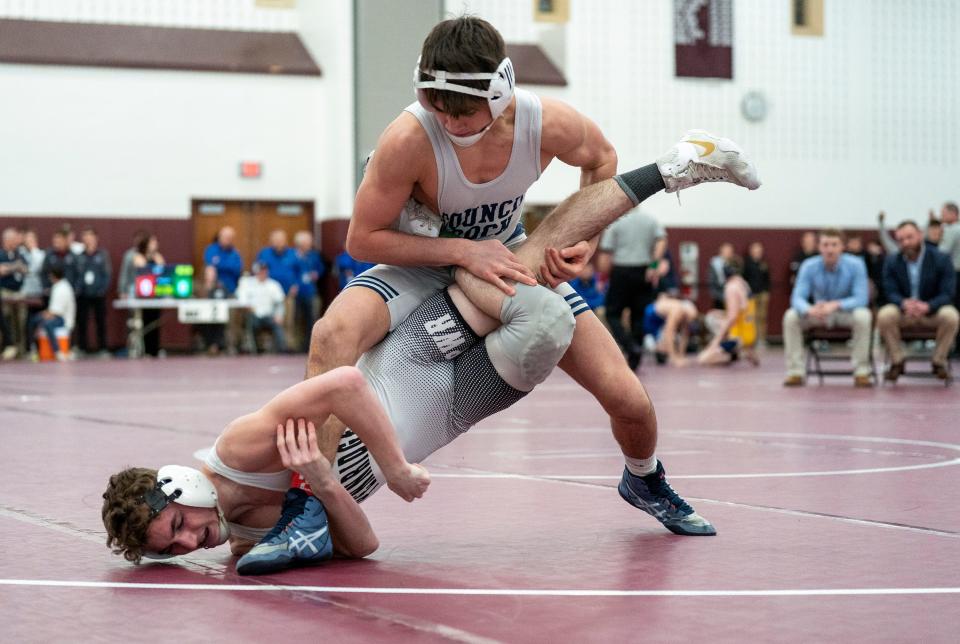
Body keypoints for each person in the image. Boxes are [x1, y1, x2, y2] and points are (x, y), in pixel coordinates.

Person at [101, 142, 757, 570]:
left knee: (626, 396)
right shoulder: (246, 541)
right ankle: (635, 469)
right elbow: (361, 545)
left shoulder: (243, 447)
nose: (192, 544)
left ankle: (671, 168)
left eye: (178, 529)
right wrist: (323, 486)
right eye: (176, 549)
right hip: (458, 396)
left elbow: (346, 380)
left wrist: (390, 469)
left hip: (427, 337)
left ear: (176, 487)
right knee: (545, 323)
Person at [306, 18, 758, 531]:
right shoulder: (408, 138)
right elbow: (360, 240)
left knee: (629, 400)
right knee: (332, 333)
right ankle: (312, 504)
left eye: (465, 112)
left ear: (500, 90)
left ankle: (644, 477)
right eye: (440, 108)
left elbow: (601, 159)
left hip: (511, 255)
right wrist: (462, 250)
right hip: (422, 261)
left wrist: (587, 242)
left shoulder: (545, 123)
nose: (450, 124)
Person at [782, 229, 872, 387]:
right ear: (819, 247)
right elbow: (797, 298)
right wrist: (809, 309)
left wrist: (836, 304)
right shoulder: (809, 266)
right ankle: (795, 372)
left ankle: (861, 371)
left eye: (834, 245)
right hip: (818, 314)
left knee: (863, 316)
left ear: (842, 247)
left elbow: (861, 298)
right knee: (791, 316)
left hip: (845, 312)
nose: (829, 249)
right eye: (825, 245)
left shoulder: (856, 265)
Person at [877, 220, 958, 381]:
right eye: (901, 240)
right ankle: (897, 361)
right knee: (884, 315)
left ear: (920, 235)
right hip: (904, 312)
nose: (906, 243)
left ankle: (938, 361)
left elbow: (948, 293)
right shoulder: (892, 261)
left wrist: (928, 306)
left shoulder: (941, 259)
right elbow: (889, 291)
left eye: (909, 237)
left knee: (951, 315)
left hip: (931, 312)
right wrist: (903, 303)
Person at [596, 208, 668, 370]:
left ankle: (630, 346)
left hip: (621, 271)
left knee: (612, 313)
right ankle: (635, 358)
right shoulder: (650, 220)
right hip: (643, 272)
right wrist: (654, 264)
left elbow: (606, 255)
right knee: (639, 315)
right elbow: (662, 240)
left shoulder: (616, 221)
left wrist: (602, 277)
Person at [698, 258, 757, 366]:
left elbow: (732, 317)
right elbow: (742, 311)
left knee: (702, 359)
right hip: (749, 335)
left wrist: (715, 342)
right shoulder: (744, 284)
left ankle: (736, 355)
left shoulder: (731, 287)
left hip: (738, 338)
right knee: (714, 314)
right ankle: (740, 351)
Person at [256, 230, 300, 348]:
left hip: (287, 293)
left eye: (280, 240)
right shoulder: (264, 254)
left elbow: (299, 271)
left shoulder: (293, 254)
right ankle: (268, 346)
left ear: (285, 241)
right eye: (275, 240)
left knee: (288, 320)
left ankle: (288, 345)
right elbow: (258, 269)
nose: (278, 243)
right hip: (269, 295)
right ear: (271, 241)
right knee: (270, 320)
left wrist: (296, 285)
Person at [73, 228, 112, 356]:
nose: (88, 239)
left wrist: (102, 289)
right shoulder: (79, 256)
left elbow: (107, 274)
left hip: (98, 294)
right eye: (85, 237)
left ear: (95, 238)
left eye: (90, 236)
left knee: (100, 322)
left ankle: (102, 348)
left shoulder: (102, 255)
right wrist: (78, 289)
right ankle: (82, 347)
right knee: (82, 321)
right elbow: (76, 275)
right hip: (83, 294)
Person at [237, 262, 288, 354]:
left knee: (277, 325)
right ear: (256, 271)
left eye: (264, 270)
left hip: (269, 315)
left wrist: (279, 315)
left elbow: (280, 303)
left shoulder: (273, 285)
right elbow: (242, 300)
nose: (263, 273)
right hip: (253, 315)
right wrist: (248, 307)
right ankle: (255, 350)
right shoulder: (247, 283)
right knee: (251, 323)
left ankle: (281, 350)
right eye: (261, 270)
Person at [27, 265, 75, 361]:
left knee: (47, 324)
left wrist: (42, 321)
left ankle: (57, 351)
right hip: (55, 315)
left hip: (63, 318)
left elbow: (56, 312)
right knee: (33, 320)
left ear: (53, 276)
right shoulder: (57, 286)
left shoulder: (63, 289)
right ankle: (33, 349)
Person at [641, 292, 698, 366]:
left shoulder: (687, 314)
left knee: (668, 342)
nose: (686, 321)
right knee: (663, 345)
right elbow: (668, 333)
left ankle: (661, 349)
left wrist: (681, 356)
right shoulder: (677, 310)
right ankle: (657, 347)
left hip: (661, 319)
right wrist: (674, 358)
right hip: (651, 315)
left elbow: (685, 334)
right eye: (687, 318)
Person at [133, 234, 165, 357]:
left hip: (156, 294)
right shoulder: (138, 257)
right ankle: (146, 350)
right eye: (152, 242)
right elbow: (144, 270)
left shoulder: (157, 257)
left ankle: (155, 349)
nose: (155, 244)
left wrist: (156, 259)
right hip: (144, 294)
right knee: (146, 321)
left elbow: (162, 269)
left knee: (156, 321)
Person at [292, 231, 325, 352]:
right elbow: (289, 271)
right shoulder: (293, 255)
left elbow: (320, 268)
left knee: (311, 320)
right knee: (296, 319)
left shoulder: (313, 255)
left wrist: (316, 273)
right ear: (299, 244)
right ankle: (296, 345)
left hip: (310, 292)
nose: (309, 245)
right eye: (307, 243)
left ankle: (310, 345)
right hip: (296, 293)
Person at [0, 227, 28, 360]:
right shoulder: (1, 254)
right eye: (13, 239)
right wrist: (14, 266)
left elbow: (26, 268)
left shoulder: (19, 253)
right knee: (5, 319)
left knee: (21, 321)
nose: (15, 242)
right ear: (6, 240)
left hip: (19, 292)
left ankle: (21, 349)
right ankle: (7, 347)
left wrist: (11, 267)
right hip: (5, 292)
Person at [937, 202, 960, 355]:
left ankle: (954, 347)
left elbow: (942, 253)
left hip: (955, 274)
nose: (941, 217)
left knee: (955, 310)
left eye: (944, 213)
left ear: (953, 214)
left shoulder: (952, 230)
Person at [742, 241, 770, 344]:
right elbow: (744, 279)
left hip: (763, 293)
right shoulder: (747, 264)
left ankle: (762, 339)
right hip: (751, 294)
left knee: (762, 317)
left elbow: (767, 278)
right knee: (751, 317)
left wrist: (767, 291)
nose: (758, 252)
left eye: (759, 250)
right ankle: (752, 339)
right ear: (751, 251)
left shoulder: (764, 264)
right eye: (756, 250)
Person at [708, 242, 734, 309]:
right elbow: (712, 283)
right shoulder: (715, 264)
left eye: (730, 252)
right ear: (721, 251)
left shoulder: (733, 264)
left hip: (732, 296)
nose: (729, 254)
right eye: (727, 251)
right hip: (719, 296)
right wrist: (721, 296)